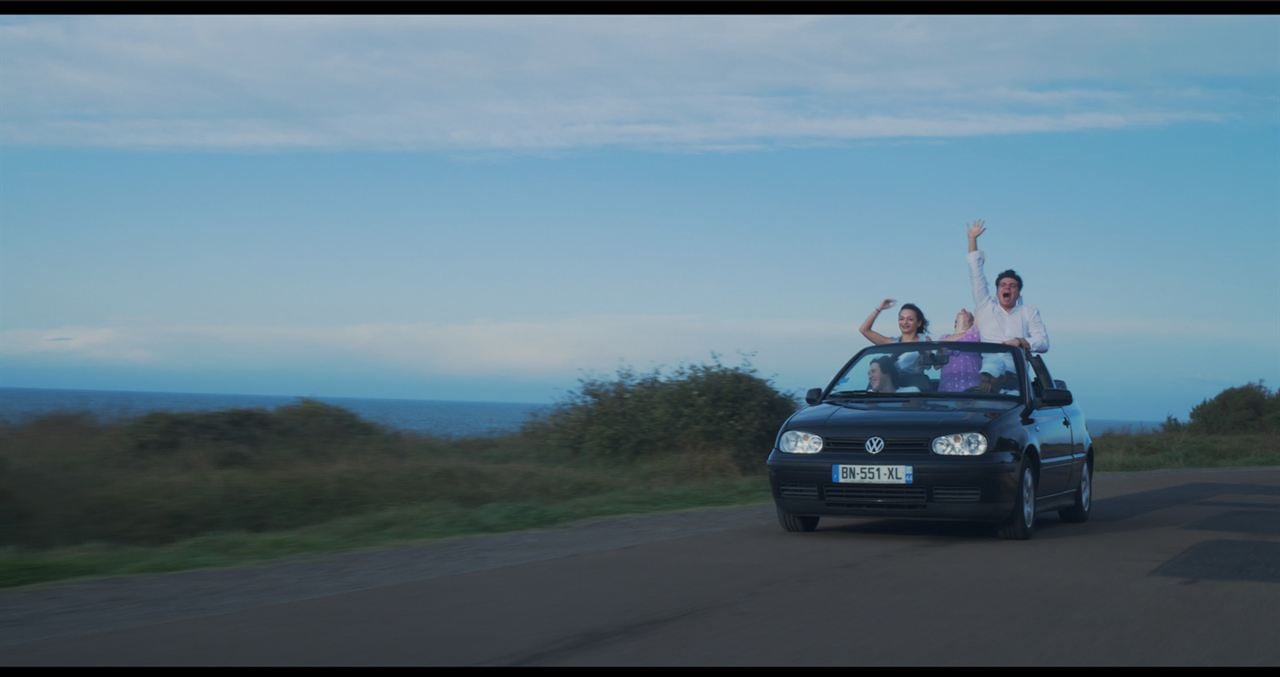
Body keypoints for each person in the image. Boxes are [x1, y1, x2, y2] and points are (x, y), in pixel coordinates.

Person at [966, 220, 1049, 389]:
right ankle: (987, 385)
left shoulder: (1028, 312)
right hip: (987, 370)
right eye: (1003, 285)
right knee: (991, 368)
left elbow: (1043, 342)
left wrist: (1020, 341)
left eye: (1012, 286)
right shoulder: (986, 306)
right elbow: (976, 273)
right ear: (996, 290)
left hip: (1015, 376)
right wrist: (972, 239)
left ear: (1018, 292)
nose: (1007, 288)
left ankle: (994, 384)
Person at [860, 300, 934, 390]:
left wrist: (925, 353)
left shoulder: (924, 340)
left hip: (915, 386)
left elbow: (928, 362)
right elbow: (864, 330)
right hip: (892, 385)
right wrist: (879, 309)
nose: (905, 322)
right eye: (901, 319)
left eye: (910, 319)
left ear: (918, 323)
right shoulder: (892, 343)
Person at [937, 309, 983, 393]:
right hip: (948, 389)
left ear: (971, 322)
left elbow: (981, 309)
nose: (963, 309)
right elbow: (937, 365)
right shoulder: (943, 337)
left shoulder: (975, 335)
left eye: (967, 313)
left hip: (972, 389)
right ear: (955, 322)